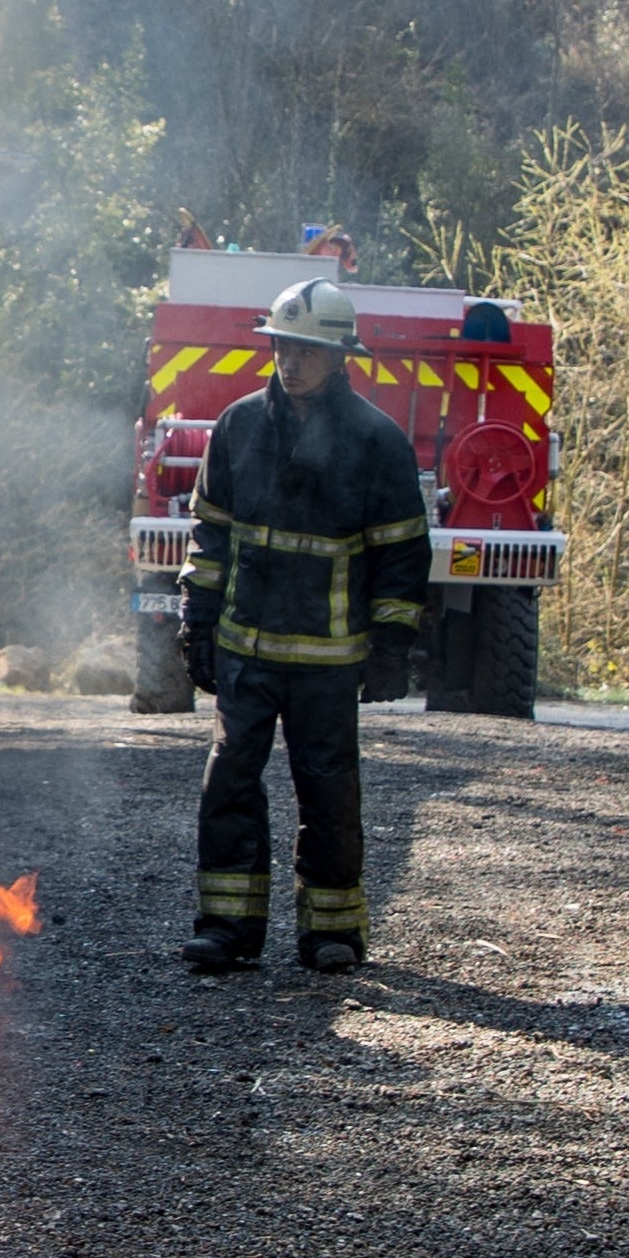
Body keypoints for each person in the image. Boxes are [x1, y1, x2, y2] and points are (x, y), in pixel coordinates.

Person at [176, 277, 427, 976]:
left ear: (341, 354)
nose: (291, 362)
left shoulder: (376, 440)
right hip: (244, 648)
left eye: (308, 350)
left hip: (328, 656)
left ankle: (331, 931)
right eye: (283, 347)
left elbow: (403, 554)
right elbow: (211, 534)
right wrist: (196, 619)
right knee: (229, 782)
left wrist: (392, 643)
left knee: (328, 789)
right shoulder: (237, 426)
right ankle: (226, 926)